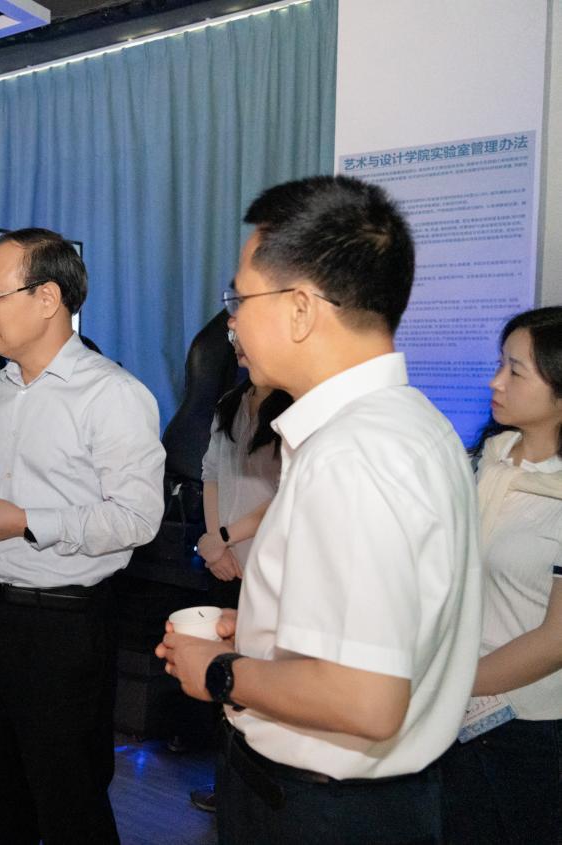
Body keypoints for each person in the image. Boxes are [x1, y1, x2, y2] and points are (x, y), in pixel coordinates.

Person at [157, 175, 482, 844]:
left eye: (239, 299)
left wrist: (219, 671)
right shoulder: (412, 423)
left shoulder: (350, 454)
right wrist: (260, 633)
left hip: (320, 812)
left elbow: (363, 699)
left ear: (301, 308)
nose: (231, 322)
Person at [0, 227, 166, 845]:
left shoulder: (114, 395)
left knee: (70, 805)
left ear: (48, 299)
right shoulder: (0, 389)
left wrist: (26, 521)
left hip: (65, 628)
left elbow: (136, 518)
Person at [439, 306, 562, 843]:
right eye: (499, 364)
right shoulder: (483, 461)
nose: (496, 381)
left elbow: (556, 640)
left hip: (532, 727)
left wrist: (447, 684)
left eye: (516, 370)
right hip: (456, 718)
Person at [187, 333, 290, 813]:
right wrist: (214, 544)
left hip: (267, 563)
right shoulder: (230, 402)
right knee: (224, 672)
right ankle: (225, 784)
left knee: (259, 675)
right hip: (224, 560)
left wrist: (224, 536)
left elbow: (286, 495)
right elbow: (211, 473)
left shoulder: (293, 409)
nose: (238, 344)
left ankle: (254, 787)